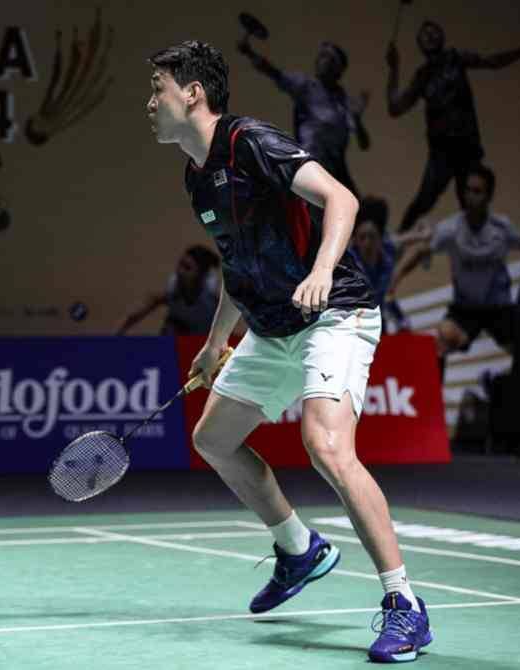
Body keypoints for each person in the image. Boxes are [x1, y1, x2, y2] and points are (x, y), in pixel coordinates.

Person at [146, 41, 431, 663]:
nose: (151, 101)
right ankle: (300, 549)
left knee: (326, 443)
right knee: (214, 439)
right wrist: (217, 341)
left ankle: (404, 605)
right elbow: (236, 261)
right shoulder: (196, 176)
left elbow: (342, 199)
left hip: (336, 310)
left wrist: (324, 268)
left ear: (192, 92)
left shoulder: (250, 142)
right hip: (272, 325)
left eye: (159, 87)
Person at [387, 21, 520, 232]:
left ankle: (481, 254)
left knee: (472, 205)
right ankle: (395, 243)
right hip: (441, 153)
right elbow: (395, 107)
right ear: (419, 43)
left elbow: (492, 61)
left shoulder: (455, 59)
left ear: (442, 37)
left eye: (434, 31)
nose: (429, 36)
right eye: (424, 34)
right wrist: (394, 69)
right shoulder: (423, 76)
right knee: (423, 202)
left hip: (467, 147)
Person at [388, 165, 520, 377]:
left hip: (499, 308)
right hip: (466, 309)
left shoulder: (502, 229)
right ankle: (433, 405)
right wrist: (394, 280)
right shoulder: (451, 229)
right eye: (467, 190)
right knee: (441, 340)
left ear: (488, 195)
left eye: (477, 191)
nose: (470, 196)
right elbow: (420, 251)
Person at [238, 39, 370, 197]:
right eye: (321, 56)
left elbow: (364, 143)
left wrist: (357, 119)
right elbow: (274, 73)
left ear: (338, 69)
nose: (321, 61)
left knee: (359, 209)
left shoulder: (344, 102)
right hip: (310, 166)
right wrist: (250, 53)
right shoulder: (307, 87)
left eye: (328, 57)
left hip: (335, 171)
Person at [348, 196, 429, 332]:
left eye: (372, 236)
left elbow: (419, 237)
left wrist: (424, 230)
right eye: (362, 237)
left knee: (404, 329)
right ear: (355, 240)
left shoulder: (388, 247)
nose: (367, 243)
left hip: (380, 310)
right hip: (355, 318)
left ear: (381, 237)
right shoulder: (348, 260)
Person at [117, 245, 220, 335]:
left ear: (201, 274)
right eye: (180, 264)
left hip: (200, 345)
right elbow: (133, 316)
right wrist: (115, 336)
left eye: (187, 268)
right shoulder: (172, 291)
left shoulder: (213, 302)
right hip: (175, 343)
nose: (179, 271)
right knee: (171, 327)